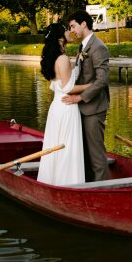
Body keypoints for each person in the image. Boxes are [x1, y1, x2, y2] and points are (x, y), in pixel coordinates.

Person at [36, 23, 89, 186]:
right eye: (67, 30)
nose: (70, 32)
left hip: (56, 107)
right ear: (60, 37)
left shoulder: (53, 57)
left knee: (56, 145)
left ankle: (52, 182)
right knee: (68, 147)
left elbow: (57, 85)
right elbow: (67, 88)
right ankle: (68, 183)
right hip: (66, 107)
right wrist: (91, 86)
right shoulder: (62, 58)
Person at [63, 9, 111, 182]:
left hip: (94, 108)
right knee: (84, 155)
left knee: (96, 155)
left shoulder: (98, 47)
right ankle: (89, 188)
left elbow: (102, 80)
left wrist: (79, 97)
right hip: (82, 110)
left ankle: (104, 190)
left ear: (84, 24)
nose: (72, 31)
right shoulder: (82, 46)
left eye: (73, 26)